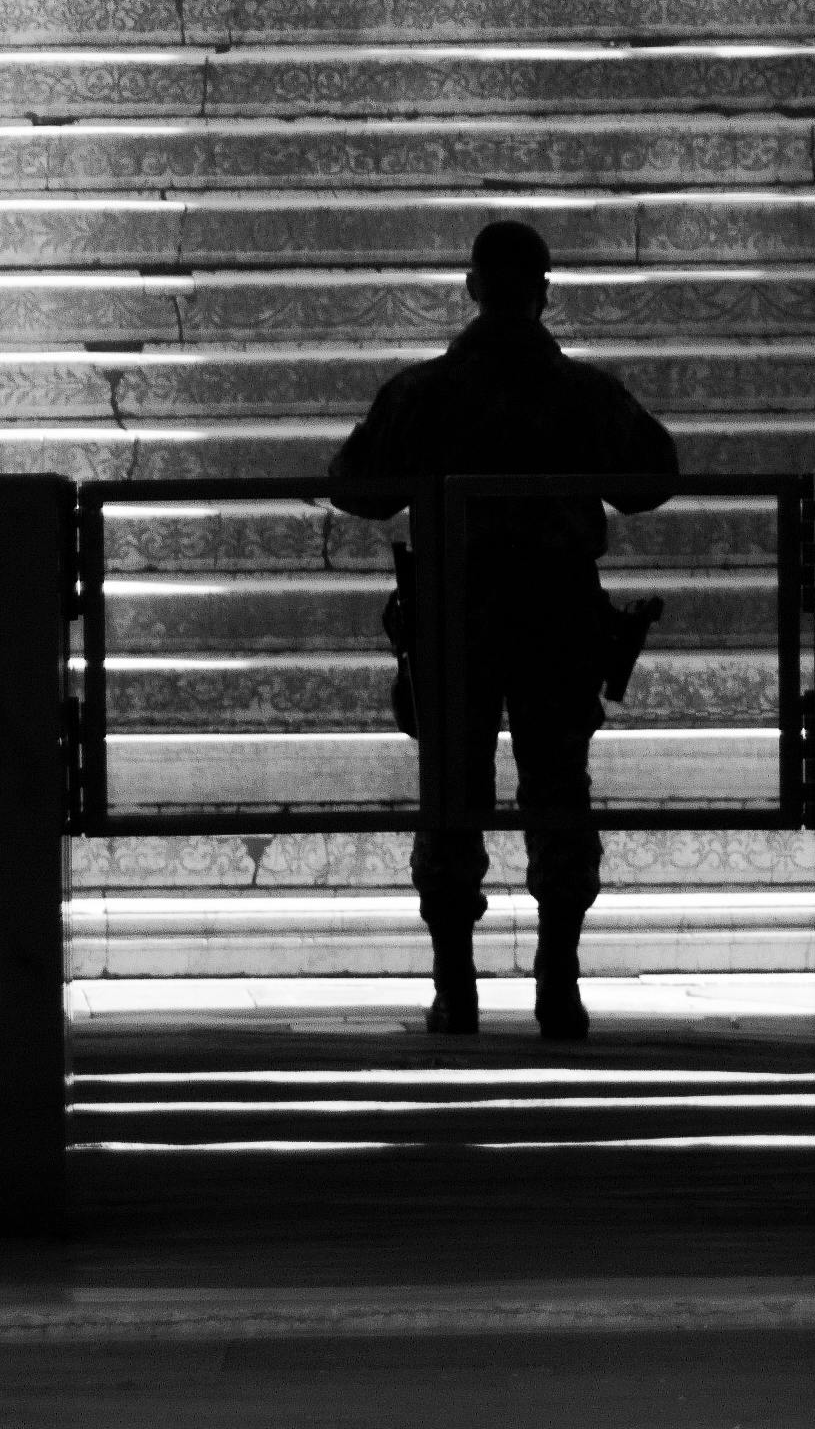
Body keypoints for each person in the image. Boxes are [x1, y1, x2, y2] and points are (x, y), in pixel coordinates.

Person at [327, 217, 678, 1042]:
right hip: (556, 610)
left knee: (451, 791)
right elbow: (651, 478)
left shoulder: (421, 392)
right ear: (543, 293)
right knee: (558, 787)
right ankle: (559, 982)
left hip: (455, 612)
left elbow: (356, 487)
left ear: (473, 287)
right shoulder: (583, 393)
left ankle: (457, 987)